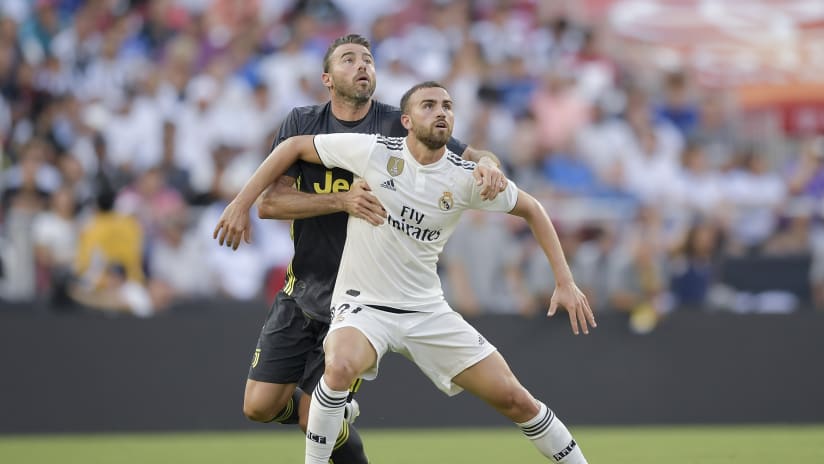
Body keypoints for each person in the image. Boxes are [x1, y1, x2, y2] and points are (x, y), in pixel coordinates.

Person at [214, 81, 595, 463]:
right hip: (364, 306)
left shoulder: (465, 177)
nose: (441, 111)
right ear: (407, 121)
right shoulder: (375, 153)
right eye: (429, 105)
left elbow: (533, 209)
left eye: (447, 105)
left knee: (515, 398)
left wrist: (565, 281)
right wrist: (240, 203)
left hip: (426, 310)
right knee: (341, 365)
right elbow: (293, 146)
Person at [236, 34, 507, 464]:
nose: (363, 66)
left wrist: (490, 165)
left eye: (368, 59)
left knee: (313, 418)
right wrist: (339, 200)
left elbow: (475, 155)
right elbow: (270, 203)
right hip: (303, 288)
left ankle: (330, 415)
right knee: (258, 407)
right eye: (349, 59)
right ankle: (337, 415)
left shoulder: (396, 124)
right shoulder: (303, 122)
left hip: (362, 299)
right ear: (327, 78)